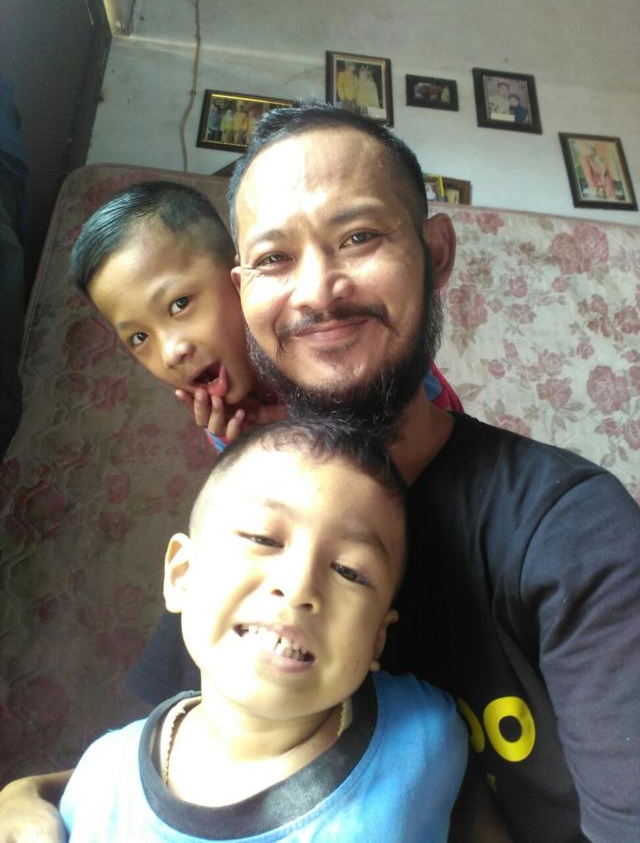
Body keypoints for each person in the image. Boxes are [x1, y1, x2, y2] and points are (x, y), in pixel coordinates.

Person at [215, 103, 637, 843]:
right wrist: (35, 793)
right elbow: (168, 759)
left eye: (359, 237)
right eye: (274, 258)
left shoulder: (572, 529)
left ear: (436, 253)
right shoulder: (237, 521)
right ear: (242, 291)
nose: (317, 292)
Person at [58, 417, 468, 841]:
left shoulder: (427, 732)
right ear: (182, 574)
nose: (298, 586)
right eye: (263, 538)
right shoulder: (99, 779)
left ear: (378, 637)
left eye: (349, 570)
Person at [67, 181, 461, 448]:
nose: (171, 352)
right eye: (138, 338)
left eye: (179, 304)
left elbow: (426, 428)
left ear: (244, 277)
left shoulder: (330, 335)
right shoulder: (230, 422)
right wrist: (248, 452)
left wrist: (312, 424)